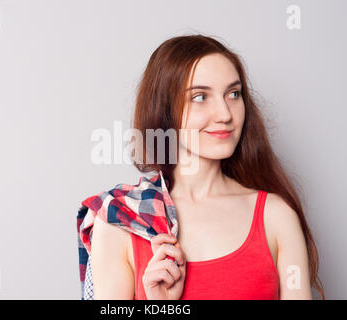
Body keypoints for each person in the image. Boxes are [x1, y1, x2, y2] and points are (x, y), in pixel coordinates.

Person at [89, 34, 324, 300]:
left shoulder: (276, 217)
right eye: (200, 97)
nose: (225, 114)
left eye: (233, 94)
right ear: (164, 110)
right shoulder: (122, 220)